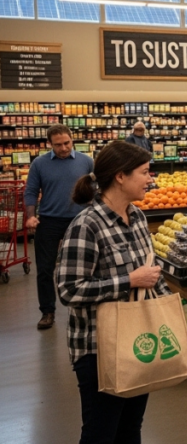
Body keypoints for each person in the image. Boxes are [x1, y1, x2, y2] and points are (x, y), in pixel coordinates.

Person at [57, 141, 187, 443]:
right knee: (101, 432)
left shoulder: (139, 218)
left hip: (139, 341)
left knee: (131, 429)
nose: (150, 178)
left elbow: (153, 276)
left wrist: (177, 325)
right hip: (98, 347)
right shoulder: (87, 225)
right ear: (120, 176)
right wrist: (128, 280)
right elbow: (68, 290)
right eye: (144, 172)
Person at [24, 124, 94, 330]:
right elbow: (31, 191)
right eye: (58, 145)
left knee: (87, 266)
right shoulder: (39, 164)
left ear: (72, 140)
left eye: (66, 143)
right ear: (49, 144)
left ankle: (87, 304)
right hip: (49, 221)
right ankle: (47, 311)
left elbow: (98, 188)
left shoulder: (86, 161)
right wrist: (30, 216)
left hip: (81, 219)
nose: (63, 148)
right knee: (45, 269)